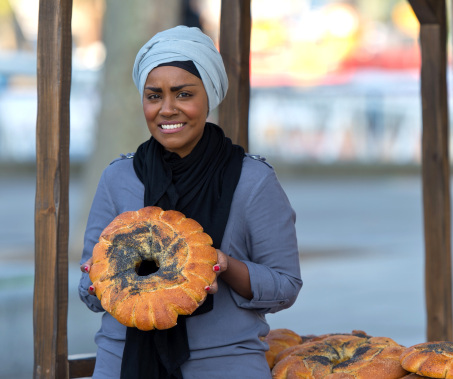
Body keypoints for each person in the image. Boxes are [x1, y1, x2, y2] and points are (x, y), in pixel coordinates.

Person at [78, 25, 303, 379]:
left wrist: (223, 265)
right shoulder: (118, 177)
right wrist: (98, 278)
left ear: (209, 95)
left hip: (225, 363)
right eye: (154, 96)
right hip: (122, 362)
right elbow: (90, 293)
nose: (167, 109)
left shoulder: (252, 180)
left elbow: (285, 285)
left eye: (183, 94)